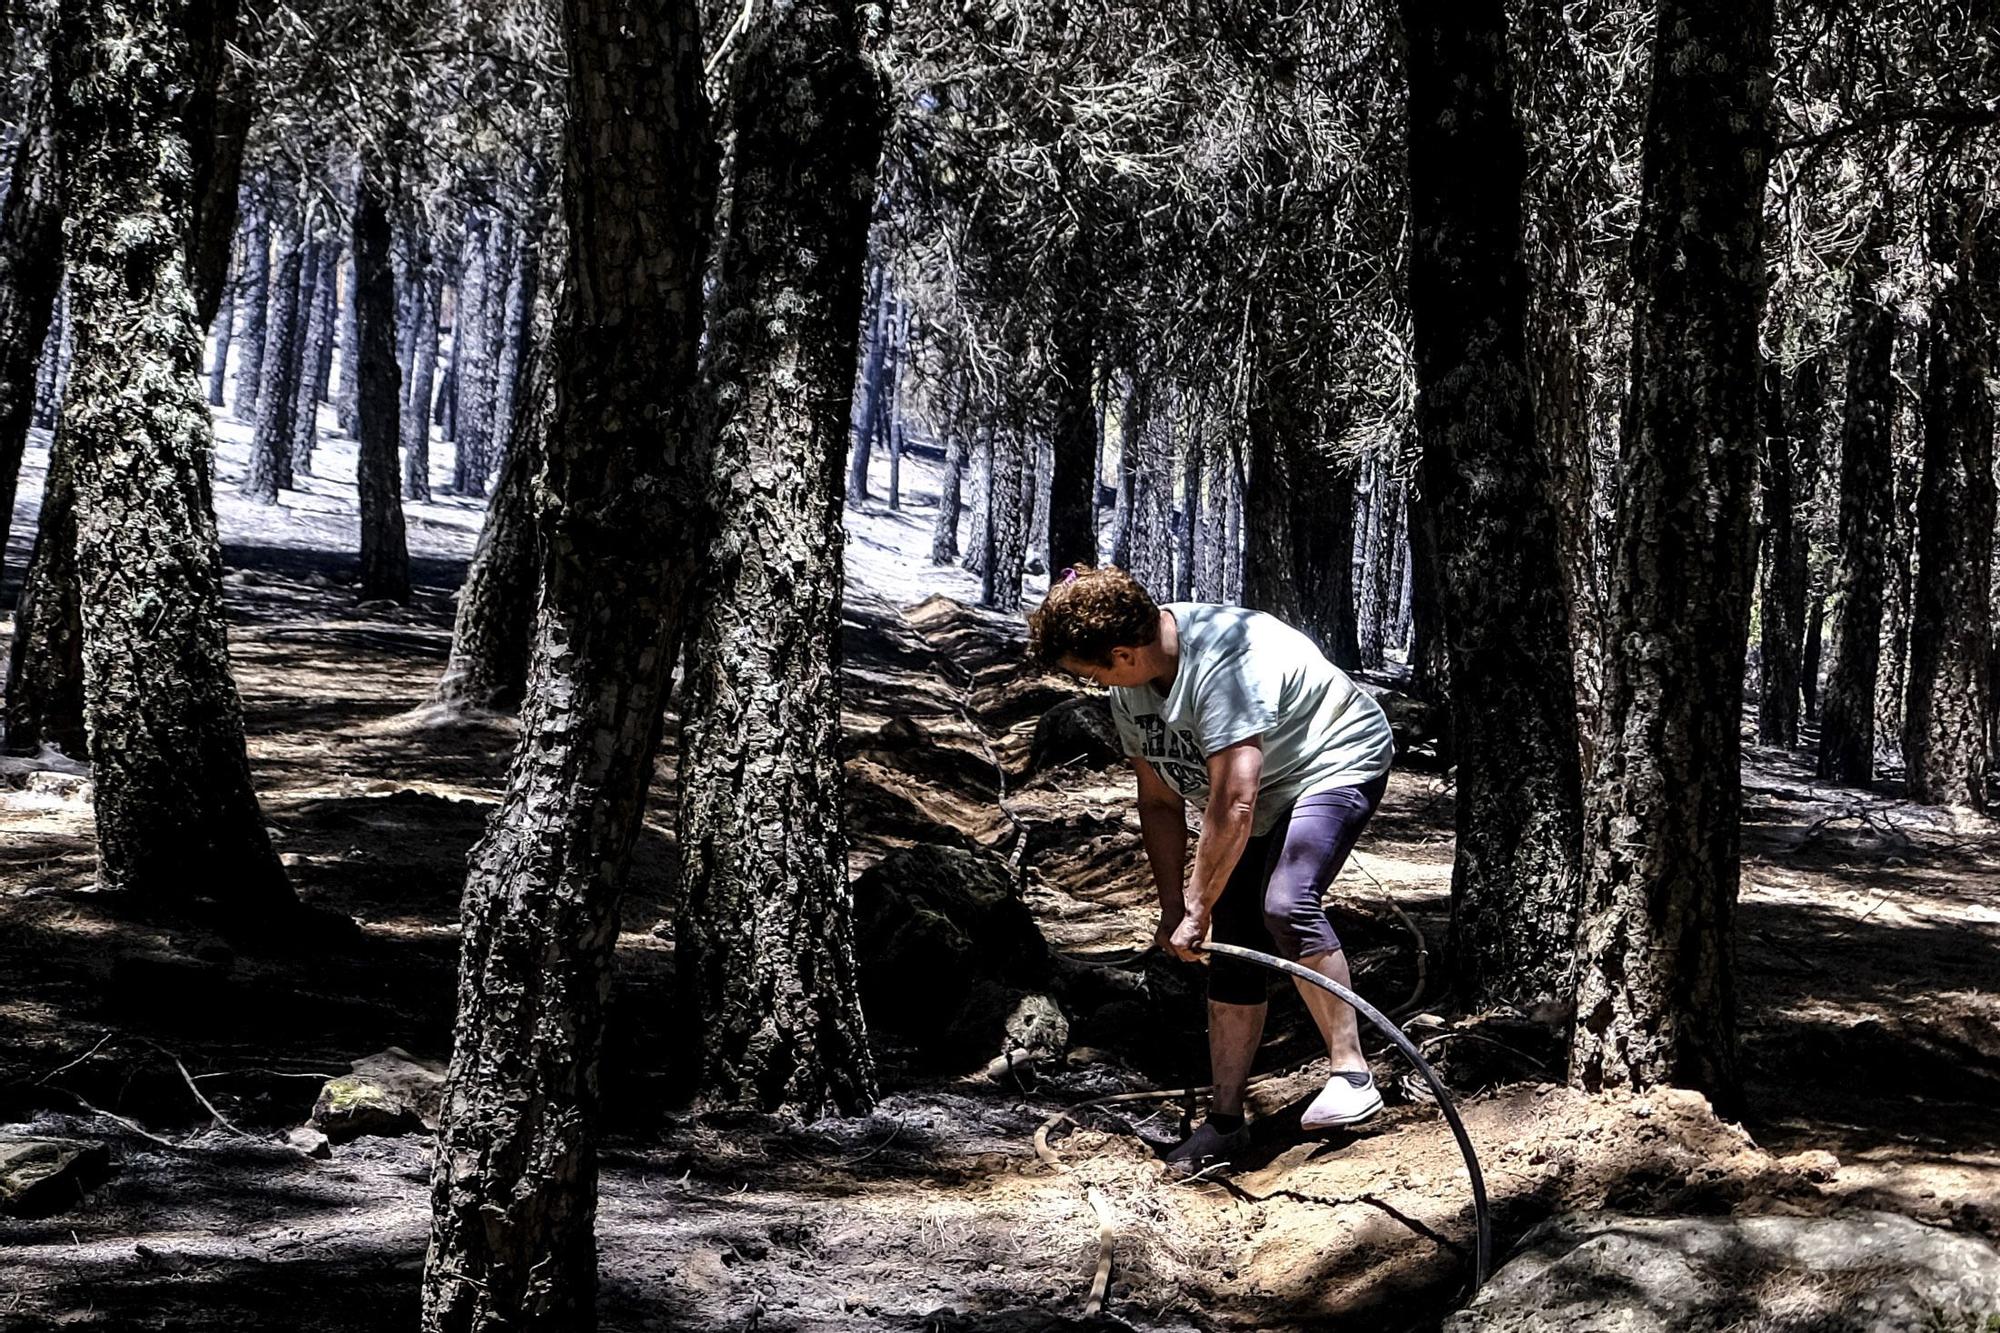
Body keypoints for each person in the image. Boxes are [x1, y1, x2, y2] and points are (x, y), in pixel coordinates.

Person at [1028, 564, 1396, 1172]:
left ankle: (1352, 1077)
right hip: (1264, 790)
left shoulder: (1223, 666)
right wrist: (1177, 905)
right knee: (1232, 935)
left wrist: (1198, 904)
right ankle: (1225, 1123)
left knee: (1285, 901)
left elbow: (1234, 802)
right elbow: (1159, 801)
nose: (1094, 685)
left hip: (1332, 760)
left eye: (1090, 673)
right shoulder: (1133, 687)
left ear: (1122, 654)